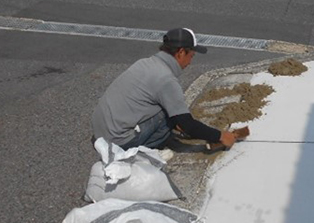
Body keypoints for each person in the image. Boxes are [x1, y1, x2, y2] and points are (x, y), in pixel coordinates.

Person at [92, 27, 237, 151]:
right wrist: (221, 136)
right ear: (180, 52)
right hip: (118, 142)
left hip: (101, 131)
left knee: (166, 108)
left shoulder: (145, 63)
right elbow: (188, 125)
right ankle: (146, 148)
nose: (190, 62)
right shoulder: (166, 80)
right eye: (191, 56)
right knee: (167, 116)